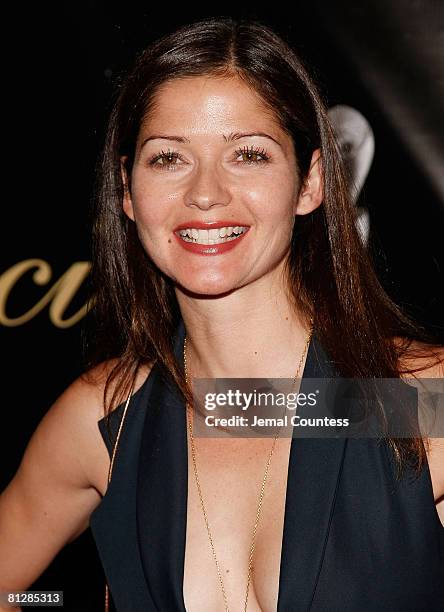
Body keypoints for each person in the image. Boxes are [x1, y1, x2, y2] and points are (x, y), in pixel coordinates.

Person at [1, 16, 443, 612]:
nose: (206, 192)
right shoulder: (105, 420)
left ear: (310, 183)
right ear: (128, 193)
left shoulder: (417, 400)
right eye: (168, 159)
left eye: (248, 155)